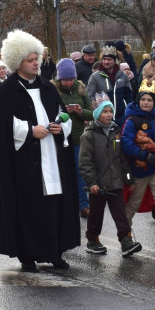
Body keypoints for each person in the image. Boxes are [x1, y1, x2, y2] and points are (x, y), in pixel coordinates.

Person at [0, 30, 78, 272]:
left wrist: (61, 127)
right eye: (30, 60)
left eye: (37, 58)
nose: (36, 63)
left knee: (54, 205)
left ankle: (55, 252)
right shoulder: (7, 92)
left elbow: (63, 116)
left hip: (52, 156)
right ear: (18, 63)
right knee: (30, 207)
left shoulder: (48, 88)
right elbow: (2, 126)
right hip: (25, 161)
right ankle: (27, 256)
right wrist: (31, 132)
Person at [122, 79, 155, 253]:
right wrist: (144, 155)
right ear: (138, 101)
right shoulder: (131, 121)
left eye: (150, 100)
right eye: (143, 99)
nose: (146, 103)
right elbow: (126, 143)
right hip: (139, 170)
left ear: (154, 102)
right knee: (133, 204)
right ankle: (125, 236)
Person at [80, 100, 141, 257]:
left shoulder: (116, 132)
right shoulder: (89, 134)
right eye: (105, 111)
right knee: (96, 214)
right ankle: (92, 240)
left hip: (116, 182)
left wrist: (129, 179)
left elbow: (122, 159)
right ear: (98, 114)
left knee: (120, 213)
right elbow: (85, 162)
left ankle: (126, 241)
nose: (108, 115)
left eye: (110, 111)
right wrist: (91, 183)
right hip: (98, 186)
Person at [53, 58, 93, 217]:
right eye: (65, 80)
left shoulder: (81, 90)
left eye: (71, 79)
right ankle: (64, 205)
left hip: (78, 137)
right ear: (59, 79)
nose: (68, 83)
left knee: (79, 171)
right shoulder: (53, 90)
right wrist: (64, 113)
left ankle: (83, 205)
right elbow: (49, 114)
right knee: (61, 172)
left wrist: (80, 111)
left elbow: (92, 113)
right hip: (59, 138)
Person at [86, 46, 133, 121]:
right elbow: (89, 97)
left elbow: (129, 96)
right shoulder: (95, 77)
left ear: (115, 61)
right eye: (104, 59)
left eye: (109, 59)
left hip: (122, 117)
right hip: (104, 119)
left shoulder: (123, 76)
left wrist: (130, 113)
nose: (106, 62)